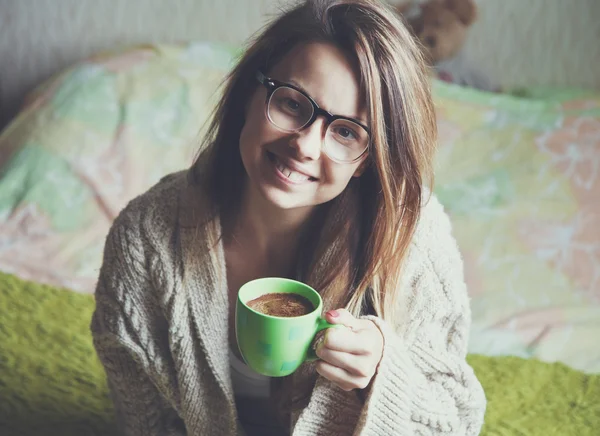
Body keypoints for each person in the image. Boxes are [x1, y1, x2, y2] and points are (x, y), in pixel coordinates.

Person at [90, 0, 487, 434]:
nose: (306, 146)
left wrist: (383, 373)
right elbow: (144, 420)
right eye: (293, 104)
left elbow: (458, 419)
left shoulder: (411, 235)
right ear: (249, 94)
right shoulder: (145, 239)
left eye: (346, 131)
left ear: (368, 160)